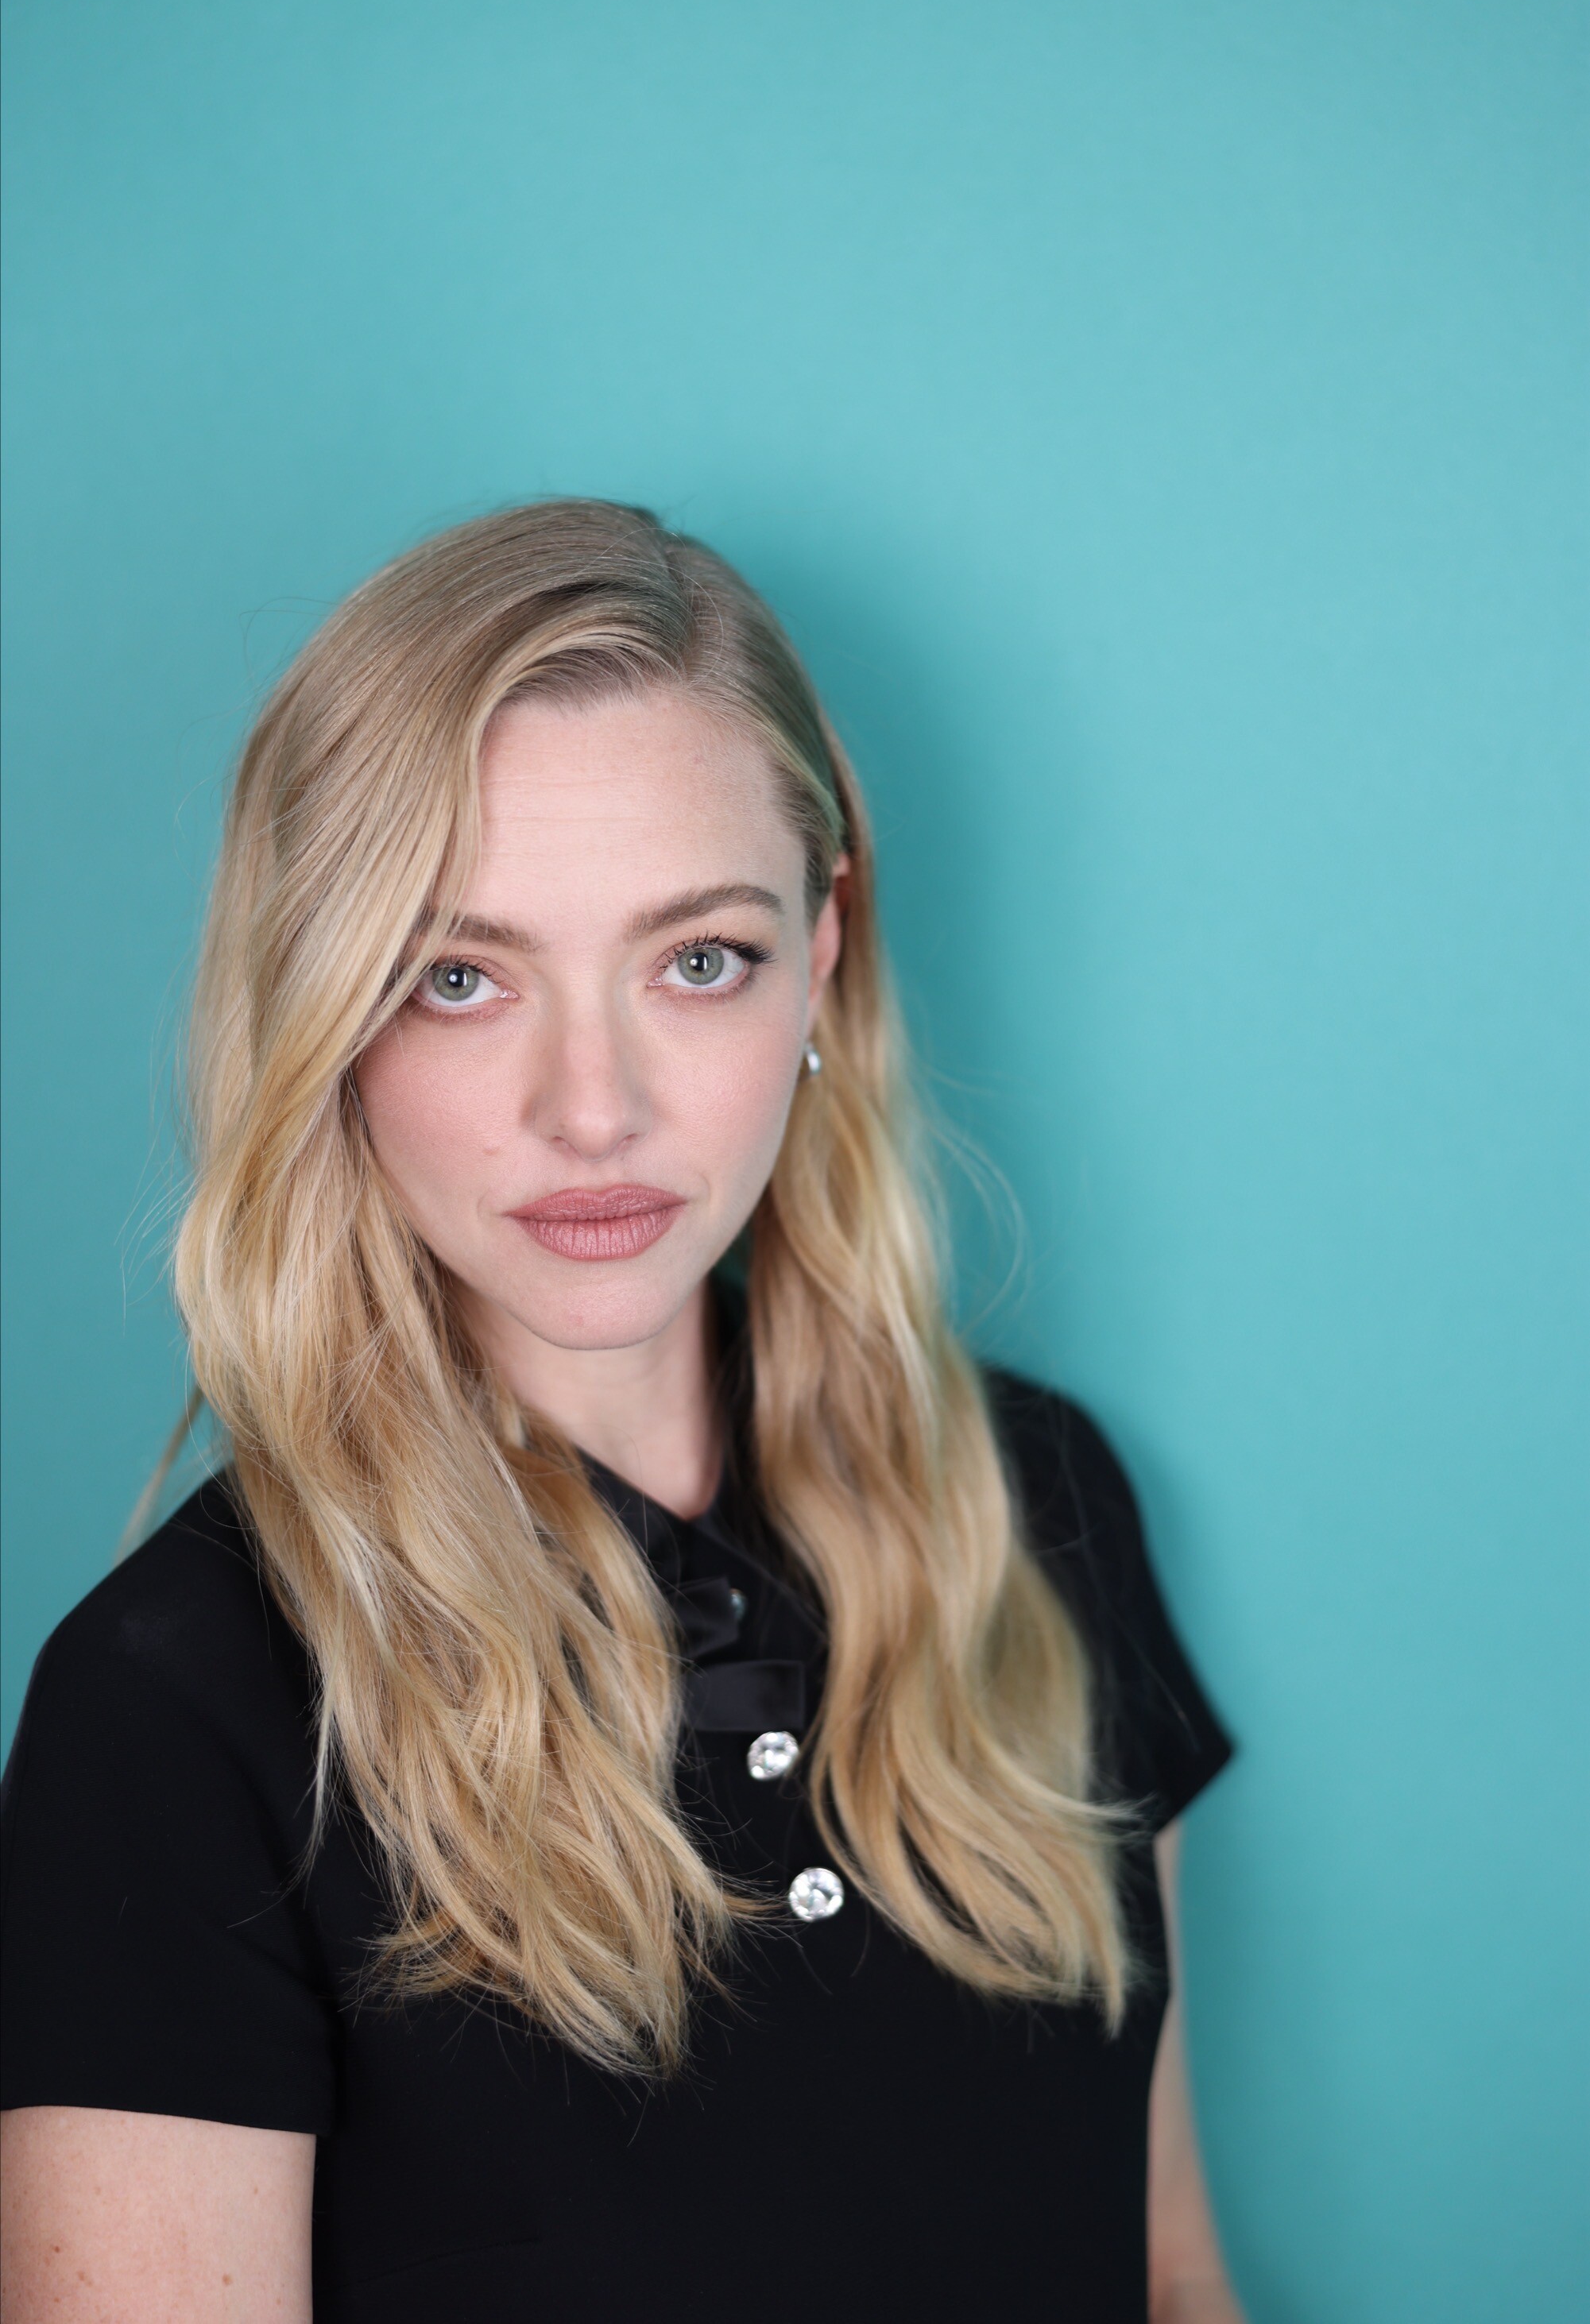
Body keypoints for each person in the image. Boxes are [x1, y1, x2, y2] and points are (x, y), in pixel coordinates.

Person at [0, 501, 1241, 2323]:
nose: (593, 1109)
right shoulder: (180, 1710)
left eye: (696, 959)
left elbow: (1169, 2275)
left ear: (821, 953)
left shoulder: (1034, 1503)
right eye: (458, 977)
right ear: (325, 1012)